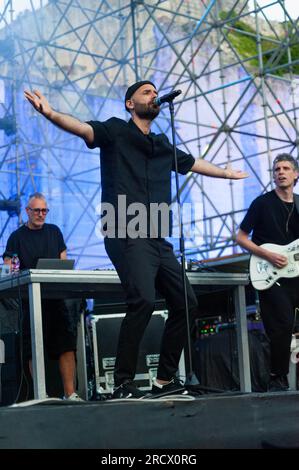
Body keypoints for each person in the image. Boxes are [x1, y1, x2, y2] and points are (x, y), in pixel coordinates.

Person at [24, 81, 247, 398]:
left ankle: (165, 379)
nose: (154, 96)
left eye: (156, 93)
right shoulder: (115, 131)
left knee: (186, 301)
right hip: (124, 230)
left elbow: (193, 163)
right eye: (146, 92)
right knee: (142, 299)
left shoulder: (161, 144)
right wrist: (49, 113)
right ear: (130, 103)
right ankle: (122, 382)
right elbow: (83, 129)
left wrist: (226, 174)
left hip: (156, 235)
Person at [3, 192, 82, 401]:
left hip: (55, 299)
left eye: (44, 210)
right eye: (37, 210)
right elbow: (7, 269)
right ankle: (41, 394)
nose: (41, 214)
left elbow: (63, 262)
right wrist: (13, 270)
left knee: (66, 346)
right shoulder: (16, 237)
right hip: (31, 302)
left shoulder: (54, 232)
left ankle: (70, 393)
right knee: (32, 350)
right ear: (27, 211)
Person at [237, 153, 299, 392]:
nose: (280, 172)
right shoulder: (262, 203)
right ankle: (277, 378)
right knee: (282, 324)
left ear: (295, 174)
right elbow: (241, 237)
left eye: (285, 168)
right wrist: (267, 254)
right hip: (270, 272)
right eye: (276, 169)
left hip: (295, 273)